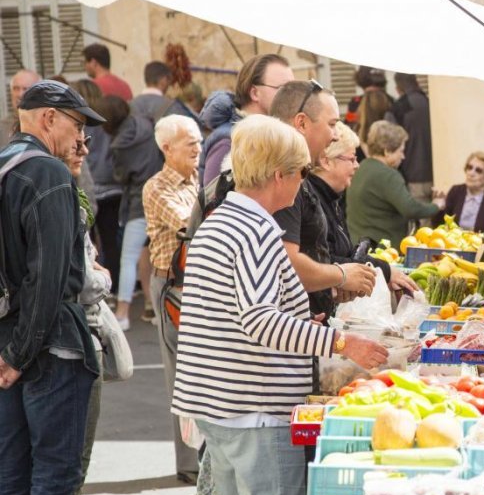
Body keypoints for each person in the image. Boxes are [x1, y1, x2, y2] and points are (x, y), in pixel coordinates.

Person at [171, 115, 387, 495]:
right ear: (278, 175)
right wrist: (340, 342)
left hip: (216, 403)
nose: (303, 182)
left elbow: (231, 313)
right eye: (301, 172)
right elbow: (257, 319)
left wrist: (297, 322)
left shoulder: (219, 222)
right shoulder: (256, 230)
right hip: (253, 409)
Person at [0, 80, 105, 495]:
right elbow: (50, 277)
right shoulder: (46, 173)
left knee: (13, 483)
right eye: (76, 124)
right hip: (45, 347)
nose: (80, 138)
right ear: (48, 119)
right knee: (53, 481)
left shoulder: (6, 166)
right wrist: (20, 353)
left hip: (12, 345)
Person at [270, 80, 377, 319]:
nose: (335, 136)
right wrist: (341, 275)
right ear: (301, 123)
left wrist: (330, 286)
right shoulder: (283, 176)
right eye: (332, 124)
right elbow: (287, 266)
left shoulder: (294, 175)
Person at [142, 115, 202, 483]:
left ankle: (201, 455)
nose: (198, 148)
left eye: (198, 141)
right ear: (167, 149)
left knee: (199, 370)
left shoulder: (199, 180)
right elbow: (191, 226)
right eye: (189, 143)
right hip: (171, 287)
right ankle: (188, 464)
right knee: (180, 376)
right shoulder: (157, 186)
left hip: (194, 283)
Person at [63, 132, 111, 495]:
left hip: (62, 341)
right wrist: (102, 277)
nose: (84, 148)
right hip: (72, 345)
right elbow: (82, 278)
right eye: (76, 139)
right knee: (66, 472)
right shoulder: (59, 195)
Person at [307, 122, 419, 294]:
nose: (357, 165)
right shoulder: (314, 202)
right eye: (352, 159)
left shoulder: (331, 199)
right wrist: (382, 271)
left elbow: (343, 255)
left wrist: (383, 271)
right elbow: (324, 260)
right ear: (327, 161)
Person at [101, 95, 164, 330]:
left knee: (129, 257)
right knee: (156, 258)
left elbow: (121, 177)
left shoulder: (119, 146)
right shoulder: (147, 124)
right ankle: (156, 308)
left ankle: (123, 312)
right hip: (161, 195)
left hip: (139, 203)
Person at [199, 53, 292, 186]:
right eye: (284, 89)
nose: (291, 96)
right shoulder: (228, 141)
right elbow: (214, 203)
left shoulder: (273, 136)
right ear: (254, 93)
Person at [346, 121, 443, 247]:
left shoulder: (361, 167)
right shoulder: (388, 175)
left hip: (357, 244)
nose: (403, 156)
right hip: (381, 250)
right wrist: (436, 205)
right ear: (387, 151)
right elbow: (410, 208)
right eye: (401, 151)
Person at [77, 78, 123, 288]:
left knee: (90, 240)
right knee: (111, 240)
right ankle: (113, 285)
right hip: (113, 186)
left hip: (91, 187)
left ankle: (97, 284)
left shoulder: (82, 124)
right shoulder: (106, 119)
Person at [437, 152, 484, 234]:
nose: (471, 173)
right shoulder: (455, 191)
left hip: (481, 245)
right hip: (454, 244)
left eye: (478, 170)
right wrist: (438, 207)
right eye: (469, 167)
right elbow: (441, 224)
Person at [391, 72, 433, 205]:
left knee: (421, 224)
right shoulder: (431, 102)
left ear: (398, 88)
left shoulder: (398, 108)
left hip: (413, 178)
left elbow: (390, 142)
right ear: (417, 82)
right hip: (438, 176)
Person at [131, 61, 204, 132]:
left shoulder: (128, 106)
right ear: (163, 80)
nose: (169, 85)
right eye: (169, 80)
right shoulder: (173, 107)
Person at [346, 66, 392, 159]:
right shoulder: (391, 101)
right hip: (388, 153)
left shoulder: (354, 103)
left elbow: (349, 126)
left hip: (361, 156)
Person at [2, 69, 41, 147]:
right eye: (16, 88)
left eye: (26, 89)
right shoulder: (2, 128)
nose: (20, 94)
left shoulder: (49, 125)